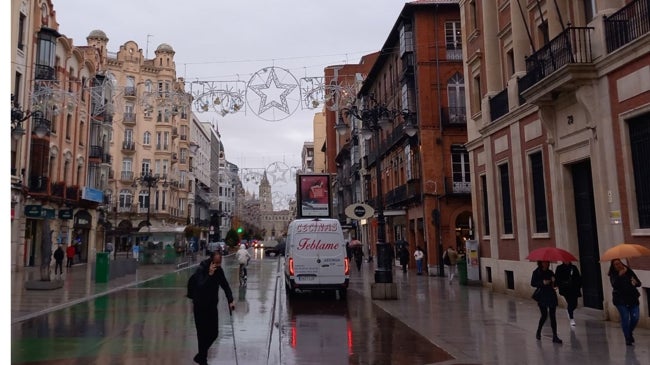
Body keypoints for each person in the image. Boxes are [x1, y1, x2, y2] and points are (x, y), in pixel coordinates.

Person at [190, 251, 235, 365]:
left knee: (214, 333)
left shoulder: (219, 270)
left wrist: (230, 300)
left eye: (220, 262)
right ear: (211, 261)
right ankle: (202, 360)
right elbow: (201, 286)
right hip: (200, 306)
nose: (218, 265)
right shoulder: (202, 269)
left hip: (211, 306)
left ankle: (201, 355)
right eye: (216, 262)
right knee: (202, 334)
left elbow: (225, 285)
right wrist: (209, 275)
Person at [608, 258, 642, 346]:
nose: (618, 265)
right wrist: (620, 276)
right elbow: (614, 285)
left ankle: (629, 332)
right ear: (613, 266)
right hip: (620, 300)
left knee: (635, 318)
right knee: (625, 318)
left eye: (619, 263)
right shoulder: (613, 274)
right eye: (615, 264)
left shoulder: (629, 271)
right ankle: (627, 337)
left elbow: (639, 283)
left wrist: (635, 282)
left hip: (632, 299)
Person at [531, 261, 562, 344]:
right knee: (544, 315)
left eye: (548, 263)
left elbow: (555, 285)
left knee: (552, 316)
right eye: (545, 263)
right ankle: (538, 331)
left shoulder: (550, 272)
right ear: (541, 263)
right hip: (542, 296)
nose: (547, 264)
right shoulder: (536, 272)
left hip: (551, 295)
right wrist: (542, 282)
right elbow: (533, 283)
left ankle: (555, 336)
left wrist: (554, 281)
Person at [555, 261, 582, 326]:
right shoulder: (559, 268)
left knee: (574, 304)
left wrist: (579, 285)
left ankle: (569, 311)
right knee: (570, 302)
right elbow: (557, 278)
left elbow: (578, 277)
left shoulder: (573, 267)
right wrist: (559, 284)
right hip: (565, 289)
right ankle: (571, 318)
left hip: (574, 288)